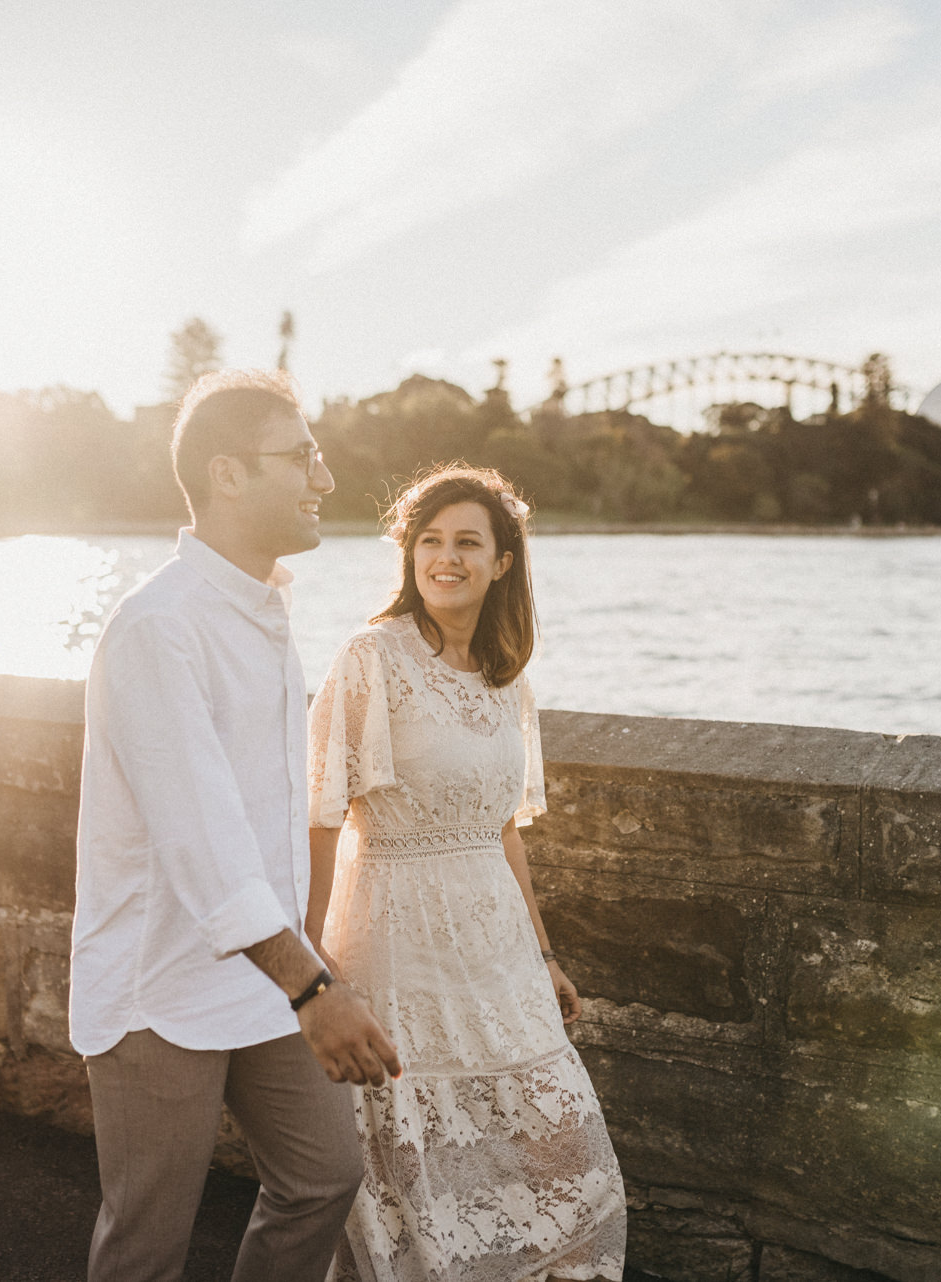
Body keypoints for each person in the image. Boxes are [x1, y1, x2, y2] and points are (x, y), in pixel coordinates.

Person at [70, 369, 402, 1282]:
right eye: (303, 457)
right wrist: (315, 989)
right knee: (147, 1243)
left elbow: (270, 816)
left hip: (264, 974)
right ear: (227, 474)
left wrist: (299, 970)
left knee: (324, 1176)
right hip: (160, 986)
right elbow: (202, 840)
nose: (324, 479)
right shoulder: (159, 627)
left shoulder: (263, 609)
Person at [306, 466, 627, 1282]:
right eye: (430, 541)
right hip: (396, 939)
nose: (444, 558)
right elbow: (319, 814)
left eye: (466, 543)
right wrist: (315, 968)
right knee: (413, 1172)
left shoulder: (505, 673)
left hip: (497, 950)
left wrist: (545, 953)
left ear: (503, 562)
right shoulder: (370, 658)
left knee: (569, 1158)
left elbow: (503, 831)